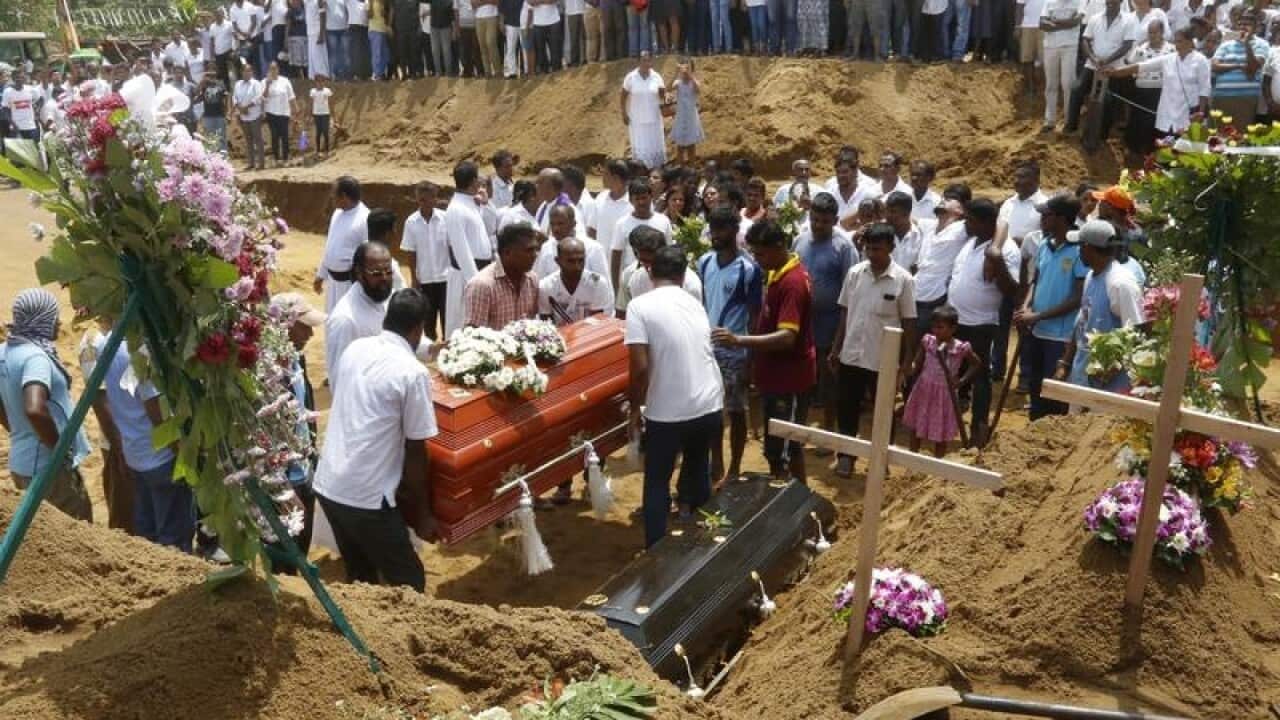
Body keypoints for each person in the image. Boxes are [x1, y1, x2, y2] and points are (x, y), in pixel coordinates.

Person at [314, 289, 437, 592]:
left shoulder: (356, 349)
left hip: (328, 485)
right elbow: (415, 448)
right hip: (367, 497)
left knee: (360, 577)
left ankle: (364, 637)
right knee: (410, 582)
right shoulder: (412, 373)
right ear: (419, 329)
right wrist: (423, 515)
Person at [626, 245, 724, 547]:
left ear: (650, 271)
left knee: (657, 480)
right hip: (709, 404)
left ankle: (655, 550)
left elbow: (640, 368)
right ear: (683, 276)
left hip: (668, 412)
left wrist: (633, 410)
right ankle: (705, 543)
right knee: (698, 472)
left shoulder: (639, 307)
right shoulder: (694, 303)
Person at [712, 220, 815, 482]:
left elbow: (787, 337)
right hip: (774, 377)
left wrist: (740, 341)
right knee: (775, 448)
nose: (757, 260)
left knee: (787, 446)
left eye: (761, 253)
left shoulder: (792, 283)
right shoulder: (776, 274)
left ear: (779, 247)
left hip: (788, 379)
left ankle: (797, 506)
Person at [829, 223, 917, 476]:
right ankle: (846, 456)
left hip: (883, 359)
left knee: (883, 411)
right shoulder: (855, 273)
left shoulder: (903, 280)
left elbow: (909, 321)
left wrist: (907, 359)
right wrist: (836, 348)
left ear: (890, 248)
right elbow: (845, 312)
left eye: (877, 248)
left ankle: (882, 460)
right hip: (852, 354)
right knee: (847, 407)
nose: (871, 253)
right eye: (868, 248)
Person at [0, 290, 93, 521]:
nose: (59, 322)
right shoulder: (36, 358)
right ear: (41, 319)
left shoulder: (5, 351)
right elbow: (34, 408)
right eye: (54, 317)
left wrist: (18, 431)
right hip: (47, 467)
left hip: (21, 462)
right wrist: (59, 449)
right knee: (78, 530)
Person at [102, 336, 195, 552]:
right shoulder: (140, 349)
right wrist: (178, 448)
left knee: (147, 533)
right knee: (173, 537)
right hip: (160, 457)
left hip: (134, 452)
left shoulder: (108, 342)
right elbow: (154, 405)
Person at [698, 206, 763, 487]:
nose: (715, 235)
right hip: (707, 348)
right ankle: (717, 463)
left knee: (736, 412)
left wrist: (750, 359)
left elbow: (756, 316)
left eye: (721, 229)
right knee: (711, 411)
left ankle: (735, 467)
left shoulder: (749, 269)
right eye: (713, 229)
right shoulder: (704, 262)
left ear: (735, 231)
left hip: (736, 351)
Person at [947, 198, 1019, 444]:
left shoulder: (1006, 250)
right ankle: (945, 420)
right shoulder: (972, 242)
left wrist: (997, 261)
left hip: (980, 323)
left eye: (970, 220)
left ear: (985, 222)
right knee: (950, 370)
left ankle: (979, 426)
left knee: (980, 375)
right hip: (956, 319)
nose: (966, 223)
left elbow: (1012, 290)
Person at [1015, 193, 1086, 420]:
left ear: (1062, 218)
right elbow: (1035, 281)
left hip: (1061, 337)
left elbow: (1077, 298)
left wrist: (1038, 316)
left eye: (1046, 215)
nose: (1041, 219)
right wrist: (1026, 308)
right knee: (1035, 388)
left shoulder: (1078, 251)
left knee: (1054, 393)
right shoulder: (1045, 245)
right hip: (1036, 331)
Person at [1056, 220, 1145, 393]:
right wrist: (1065, 363)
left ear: (1088, 247)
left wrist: (1109, 369)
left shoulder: (1120, 283)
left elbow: (1137, 333)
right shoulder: (1091, 276)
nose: (1078, 250)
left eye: (1080, 245)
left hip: (1109, 387)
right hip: (1082, 377)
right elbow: (1081, 322)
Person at [793, 193, 856, 435]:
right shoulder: (800, 241)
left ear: (835, 220)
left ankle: (829, 432)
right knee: (802, 379)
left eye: (824, 221)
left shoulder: (844, 247)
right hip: (801, 322)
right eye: (815, 219)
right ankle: (798, 429)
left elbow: (850, 294)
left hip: (830, 324)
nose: (818, 226)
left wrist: (841, 336)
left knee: (829, 382)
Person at [270, 292, 326, 560]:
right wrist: (282, 487)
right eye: (305, 327)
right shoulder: (266, 373)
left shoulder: (296, 358)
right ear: (285, 324)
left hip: (304, 468)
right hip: (284, 478)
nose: (311, 335)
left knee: (302, 543)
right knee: (285, 550)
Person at [902, 305, 981, 456]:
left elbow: (976, 363)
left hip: (944, 394)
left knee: (941, 432)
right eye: (934, 327)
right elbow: (917, 364)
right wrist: (908, 368)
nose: (936, 331)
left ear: (953, 328)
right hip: (924, 389)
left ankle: (938, 462)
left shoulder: (960, 348)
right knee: (916, 427)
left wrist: (961, 381)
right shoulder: (928, 342)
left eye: (940, 327)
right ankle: (912, 458)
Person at [1104, 28, 1211, 139]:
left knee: (1185, 148)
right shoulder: (1168, 59)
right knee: (1164, 147)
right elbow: (1142, 66)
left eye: (1180, 41)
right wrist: (1115, 73)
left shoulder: (1200, 60)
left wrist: (1201, 112)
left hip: (1188, 113)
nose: (1176, 44)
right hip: (1167, 111)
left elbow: (1205, 89)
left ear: (1189, 42)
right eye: (1175, 41)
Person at [325, 240, 398, 387]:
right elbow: (339, 381)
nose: (384, 278)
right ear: (359, 273)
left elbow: (402, 340)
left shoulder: (389, 297)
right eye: (376, 273)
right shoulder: (345, 320)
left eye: (389, 272)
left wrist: (435, 349)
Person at [1064, 0, 1135, 136]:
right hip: (1092, 65)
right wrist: (1093, 58)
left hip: (1114, 69)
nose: (1110, 2)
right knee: (1077, 90)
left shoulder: (1128, 20)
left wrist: (1108, 60)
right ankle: (1071, 126)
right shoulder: (1095, 18)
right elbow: (1085, 40)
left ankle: (1102, 134)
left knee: (1108, 100)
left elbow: (1127, 45)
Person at [444, 161, 496, 335]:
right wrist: (475, 282)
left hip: (483, 271)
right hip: (466, 276)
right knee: (464, 326)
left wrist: (486, 204)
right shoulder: (455, 208)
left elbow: (490, 227)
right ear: (474, 181)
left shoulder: (472, 202)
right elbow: (461, 250)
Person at [464, 223, 541, 329]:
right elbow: (473, 336)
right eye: (529, 250)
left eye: (536, 249)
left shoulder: (532, 280)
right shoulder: (482, 286)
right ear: (507, 253)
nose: (535, 255)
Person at [401, 181, 450, 339]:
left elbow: (452, 247)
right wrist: (415, 278)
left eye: (430, 198)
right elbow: (411, 252)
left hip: (446, 279)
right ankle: (430, 353)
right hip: (425, 280)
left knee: (447, 319)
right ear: (418, 200)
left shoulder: (445, 219)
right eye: (422, 199)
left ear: (435, 199)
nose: (426, 202)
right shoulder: (411, 222)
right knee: (428, 321)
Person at [315, 176, 371, 313]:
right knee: (332, 322)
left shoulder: (365, 218)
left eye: (334, 194)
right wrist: (320, 275)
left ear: (344, 196)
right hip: (332, 283)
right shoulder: (337, 214)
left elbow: (369, 256)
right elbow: (330, 246)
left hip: (350, 285)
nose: (331, 197)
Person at [1208, 13, 1269, 132]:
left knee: (1240, 136)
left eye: (1247, 24)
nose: (1243, 27)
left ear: (1256, 28)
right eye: (1240, 24)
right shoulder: (1226, 45)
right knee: (1217, 135)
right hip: (1221, 96)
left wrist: (1246, 44)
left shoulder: (1262, 44)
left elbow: (1253, 67)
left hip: (1245, 97)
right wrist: (1238, 65)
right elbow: (1214, 66)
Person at [610, 176, 673, 289]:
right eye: (637, 199)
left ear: (651, 197)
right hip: (631, 281)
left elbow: (668, 251)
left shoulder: (663, 221)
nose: (641, 202)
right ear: (630, 200)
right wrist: (616, 288)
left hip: (659, 281)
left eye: (644, 198)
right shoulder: (622, 224)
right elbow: (616, 257)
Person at [540, 236, 615, 324]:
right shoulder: (546, 286)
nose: (577, 266)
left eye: (581, 260)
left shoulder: (598, 284)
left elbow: (598, 323)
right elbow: (546, 324)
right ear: (558, 261)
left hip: (591, 335)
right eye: (571, 261)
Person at [534, 205, 611, 282]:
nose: (555, 228)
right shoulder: (546, 248)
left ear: (573, 224)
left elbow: (604, 285)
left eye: (560, 224)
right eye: (552, 224)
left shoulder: (594, 248)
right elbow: (541, 282)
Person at [1039, 0, 1084, 131]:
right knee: (1050, 85)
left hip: (1069, 46)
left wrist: (1054, 22)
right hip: (1050, 46)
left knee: (1068, 84)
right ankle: (1049, 121)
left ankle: (1069, 120)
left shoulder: (1079, 2)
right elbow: (1042, 24)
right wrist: (1066, 23)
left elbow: (1076, 22)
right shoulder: (1048, 2)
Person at [620, 52, 667, 170]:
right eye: (643, 60)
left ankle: (656, 173)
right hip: (637, 120)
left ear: (651, 62)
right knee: (640, 148)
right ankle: (641, 173)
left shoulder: (657, 77)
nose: (646, 63)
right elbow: (623, 96)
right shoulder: (630, 77)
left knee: (654, 146)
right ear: (639, 62)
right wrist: (624, 113)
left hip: (654, 119)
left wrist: (666, 96)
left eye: (648, 60)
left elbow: (663, 95)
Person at [669, 59, 705, 165]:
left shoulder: (694, 82)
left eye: (687, 68)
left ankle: (692, 170)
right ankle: (680, 170)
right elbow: (668, 88)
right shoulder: (678, 83)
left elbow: (698, 90)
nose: (684, 71)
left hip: (691, 117)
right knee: (680, 146)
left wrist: (690, 76)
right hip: (680, 116)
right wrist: (675, 73)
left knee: (691, 146)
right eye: (683, 68)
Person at [233, 63, 266, 171]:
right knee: (248, 140)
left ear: (252, 72)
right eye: (245, 71)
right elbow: (234, 98)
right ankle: (251, 163)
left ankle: (261, 163)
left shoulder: (256, 83)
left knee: (258, 139)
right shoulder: (238, 84)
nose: (247, 73)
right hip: (243, 116)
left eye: (249, 71)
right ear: (241, 73)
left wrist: (246, 107)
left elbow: (259, 98)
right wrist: (240, 108)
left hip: (255, 115)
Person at [262, 62, 296, 165]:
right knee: (275, 136)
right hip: (271, 113)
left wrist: (296, 108)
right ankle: (277, 159)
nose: (273, 70)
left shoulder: (285, 81)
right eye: (271, 69)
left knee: (284, 136)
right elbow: (263, 97)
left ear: (278, 69)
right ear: (268, 70)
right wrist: (268, 84)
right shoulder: (264, 81)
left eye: (275, 68)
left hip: (284, 112)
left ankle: (285, 158)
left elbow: (291, 96)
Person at [1, 71, 40, 141]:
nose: (19, 79)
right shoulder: (7, 92)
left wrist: (37, 110)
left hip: (31, 126)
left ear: (24, 78)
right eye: (17, 77)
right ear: (13, 78)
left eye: (21, 77)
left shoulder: (30, 89)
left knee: (32, 150)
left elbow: (41, 99)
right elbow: (5, 110)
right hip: (16, 129)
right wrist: (13, 124)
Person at [197, 73, 230, 153]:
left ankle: (223, 158)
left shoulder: (220, 84)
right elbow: (197, 96)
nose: (211, 78)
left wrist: (228, 112)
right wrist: (200, 84)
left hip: (220, 115)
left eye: (213, 75)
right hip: (207, 115)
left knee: (221, 137)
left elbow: (227, 97)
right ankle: (212, 159)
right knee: (209, 138)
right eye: (209, 75)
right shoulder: (204, 86)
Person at [305, 0, 333, 78]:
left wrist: (321, 34)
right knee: (312, 58)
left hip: (317, 32)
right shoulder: (307, 2)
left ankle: (323, 76)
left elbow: (323, 15)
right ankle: (313, 77)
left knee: (319, 57)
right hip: (310, 33)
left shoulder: (318, 1)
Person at [310, 74, 334, 154]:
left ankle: (327, 150)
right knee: (318, 132)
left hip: (325, 113)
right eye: (318, 81)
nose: (320, 83)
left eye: (322, 81)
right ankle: (318, 150)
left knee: (325, 131)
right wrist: (310, 114)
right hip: (316, 114)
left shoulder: (327, 91)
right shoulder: (313, 91)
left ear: (324, 82)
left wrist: (332, 114)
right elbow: (311, 103)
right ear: (315, 82)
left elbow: (330, 103)